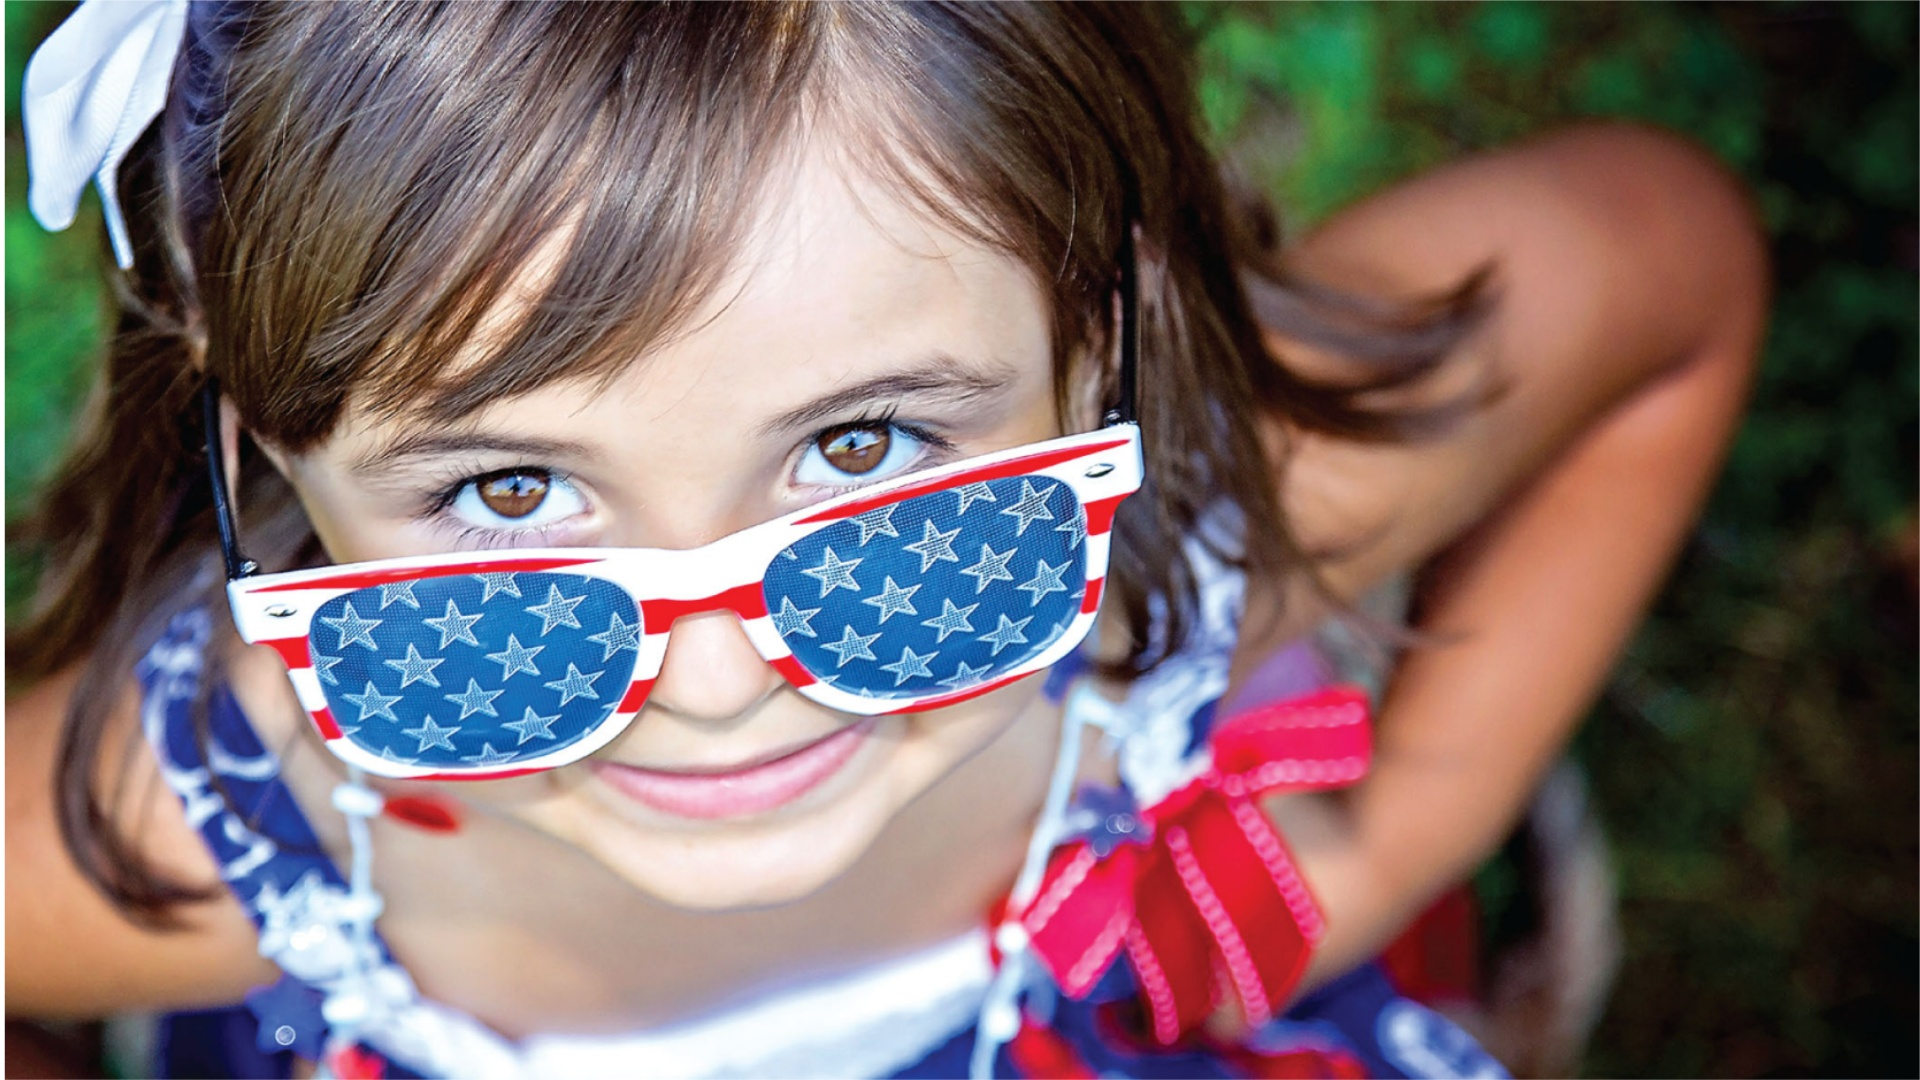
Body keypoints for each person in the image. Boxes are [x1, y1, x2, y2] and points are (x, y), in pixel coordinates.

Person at [6, 3, 1766, 1078]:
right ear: (268, 446)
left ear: (1106, 335)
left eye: (862, 450)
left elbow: (1668, 279)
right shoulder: (188, 834)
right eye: (509, 493)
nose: (707, 687)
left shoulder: (1203, 514)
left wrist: (1385, 852)